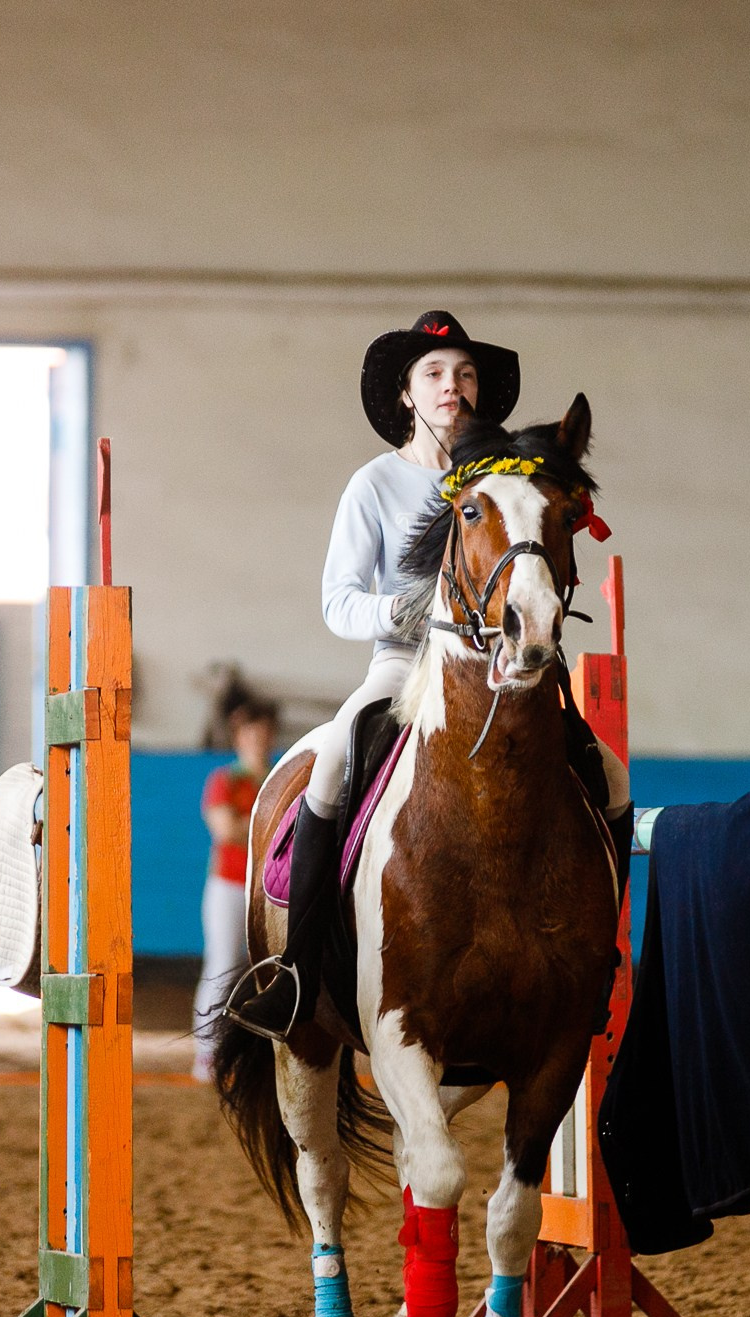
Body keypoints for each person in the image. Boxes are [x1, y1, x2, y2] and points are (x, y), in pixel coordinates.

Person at [216, 311, 523, 1040]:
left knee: (597, 768)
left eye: (466, 374)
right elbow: (337, 601)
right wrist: (407, 609)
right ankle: (296, 967)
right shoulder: (374, 484)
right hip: (403, 667)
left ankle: (585, 956)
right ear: (406, 395)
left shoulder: (498, 481)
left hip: (497, 671)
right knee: (333, 761)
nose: (455, 385)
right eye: (436, 374)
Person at [194, 692, 277, 1080]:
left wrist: (247, 824)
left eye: (261, 732)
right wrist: (266, 825)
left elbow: (236, 827)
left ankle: (252, 1055)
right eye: (248, 732)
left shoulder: (277, 777)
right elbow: (225, 830)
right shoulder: (224, 780)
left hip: (267, 891)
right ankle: (207, 1054)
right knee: (222, 964)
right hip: (228, 886)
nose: (256, 739)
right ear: (238, 737)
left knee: (267, 972)